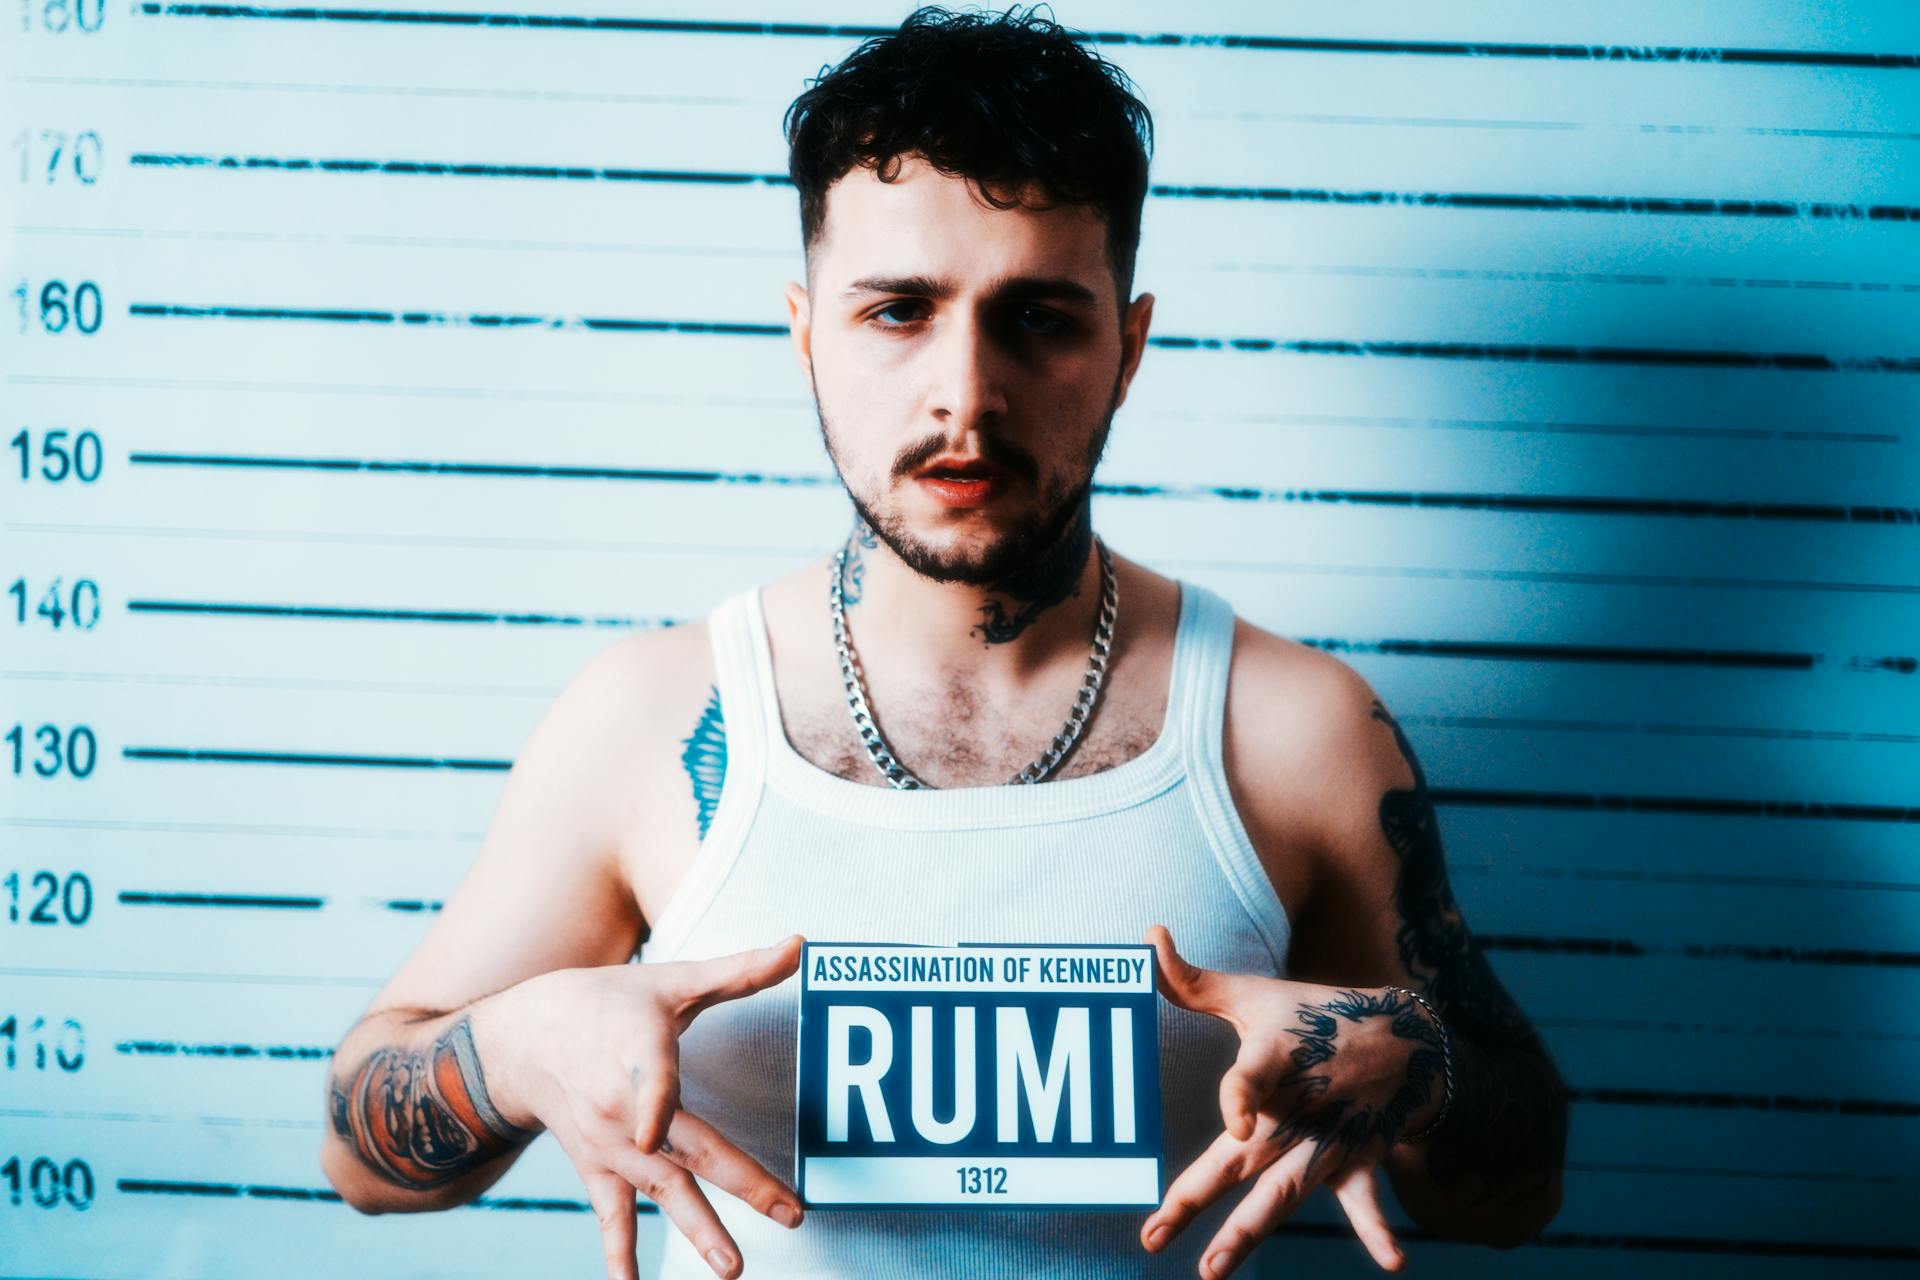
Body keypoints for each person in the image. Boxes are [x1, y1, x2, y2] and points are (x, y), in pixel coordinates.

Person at [318, 8, 1568, 1278]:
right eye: (898, 311)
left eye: (1037, 317)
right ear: (807, 331)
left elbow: (1516, 1189)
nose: (965, 396)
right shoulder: (649, 719)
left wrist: (1422, 1071)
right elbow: (361, 1161)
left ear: (1128, 347)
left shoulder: (1295, 729)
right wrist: (512, 1050)